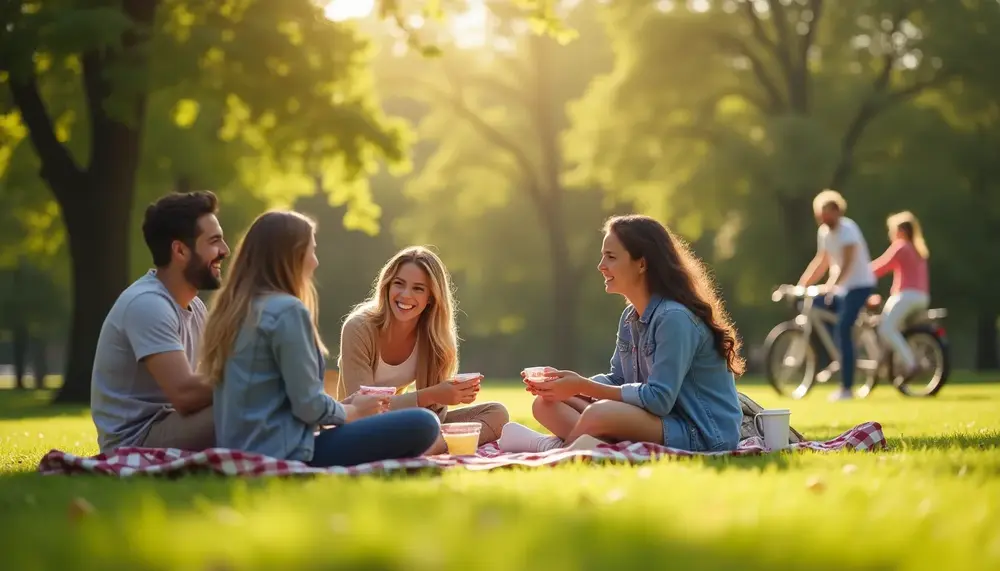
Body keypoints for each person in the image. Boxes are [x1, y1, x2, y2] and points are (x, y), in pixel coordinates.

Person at [201, 211, 440, 467]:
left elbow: (280, 398)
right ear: (290, 256)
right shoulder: (287, 311)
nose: (315, 262)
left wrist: (347, 406)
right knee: (424, 423)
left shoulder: (235, 309)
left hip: (242, 446)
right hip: (285, 451)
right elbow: (308, 407)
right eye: (311, 250)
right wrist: (355, 411)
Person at [497, 214, 744, 453]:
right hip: (657, 420)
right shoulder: (630, 318)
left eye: (611, 257)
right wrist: (566, 384)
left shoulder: (674, 318)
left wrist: (581, 386)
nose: (601, 266)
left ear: (642, 263)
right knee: (546, 404)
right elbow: (619, 380)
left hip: (701, 432)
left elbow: (659, 399)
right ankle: (583, 446)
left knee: (600, 413)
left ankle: (555, 450)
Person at [91, 191, 229, 453]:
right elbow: (186, 395)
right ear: (180, 250)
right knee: (246, 407)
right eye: (214, 241)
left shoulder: (194, 307)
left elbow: (206, 381)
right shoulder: (147, 304)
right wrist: (254, 378)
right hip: (136, 440)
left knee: (255, 403)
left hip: (171, 423)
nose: (225, 251)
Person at [337, 246, 509, 455]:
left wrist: (450, 394)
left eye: (418, 288)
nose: (405, 295)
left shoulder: (434, 336)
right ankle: (431, 446)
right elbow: (361, 407)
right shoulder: (359, 327)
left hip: (408, 423)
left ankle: (429, 446)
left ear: (431, 297)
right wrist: (431, 395)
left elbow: (434, 416)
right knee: (422, 424)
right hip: (357, 426)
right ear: (387, 286)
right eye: (399, 284)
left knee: (496, 413)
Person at [796, 189, 877, 401]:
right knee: (816, 307)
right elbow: (822, 261)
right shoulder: (824, 232)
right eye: (820, 213)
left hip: (859, 285)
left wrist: (832, 284)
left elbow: (848, 263)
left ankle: (847, 388)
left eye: (827, 213)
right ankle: (838, 355)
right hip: (841, 287)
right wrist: (802, 283)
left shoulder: (848, 229)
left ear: (837, 211)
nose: (823, 217)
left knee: (843, 327)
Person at [870, 211, 931, 380]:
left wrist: (860, 274)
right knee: (897, 329)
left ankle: (910, 363)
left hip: (906, 295)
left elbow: (882, 266)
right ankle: (903, 358)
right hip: (922, 297)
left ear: (901, 232)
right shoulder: (919, 249)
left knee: (886, 328)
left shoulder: (901, 246)